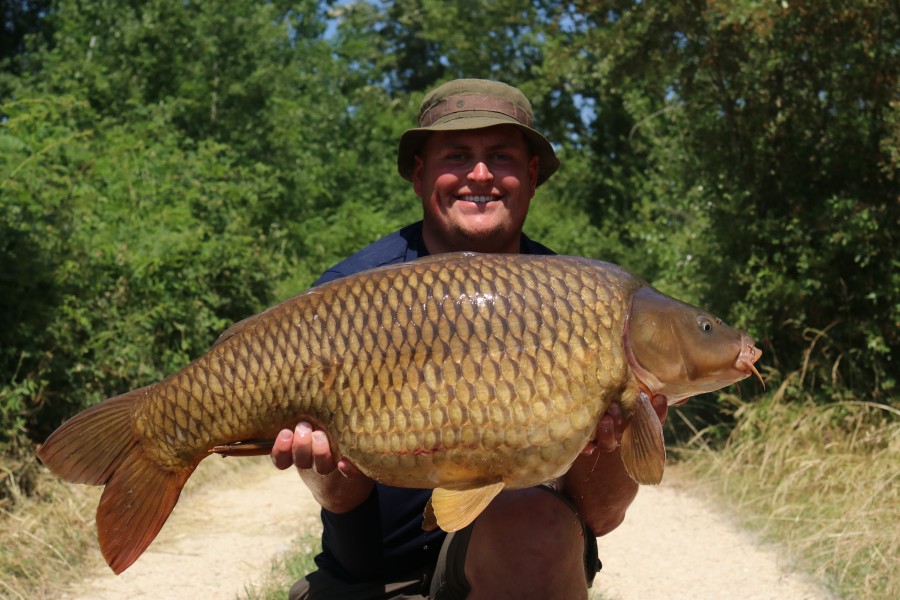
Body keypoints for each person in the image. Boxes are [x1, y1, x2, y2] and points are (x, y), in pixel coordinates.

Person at [271, 78, 667, 600]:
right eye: (457, 155)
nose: (479, 175)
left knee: (535, 529)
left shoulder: (584, 301)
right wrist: (321, 463)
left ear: (529, 175)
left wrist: (614, 442)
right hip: (371, 581)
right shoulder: (349, 297)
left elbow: (601, 515)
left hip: (518, 568)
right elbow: (342, 500)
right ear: (419, 174)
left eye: (500, 156)